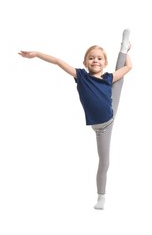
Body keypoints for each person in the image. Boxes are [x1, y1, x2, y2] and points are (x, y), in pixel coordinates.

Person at [18, 29, 132, 210]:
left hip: (109, 118)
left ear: (105, 63)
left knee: (120, 80)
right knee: (104, 161)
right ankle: (101, 195)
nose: (95, 60)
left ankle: (124, 48)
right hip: (101, 128)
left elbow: (128, 68)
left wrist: (127, 55)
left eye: (99, 58)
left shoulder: (108, 77)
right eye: (92, 58)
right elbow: (57, 62)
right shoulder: (81, 77)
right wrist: (37, 54)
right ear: (85, 62)